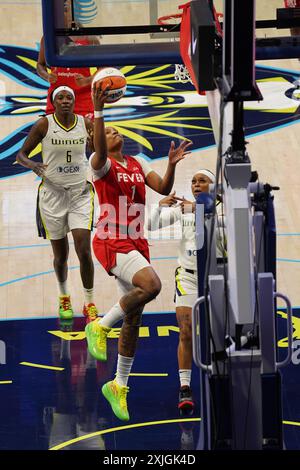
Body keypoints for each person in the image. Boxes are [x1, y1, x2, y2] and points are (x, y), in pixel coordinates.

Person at [85, 85, 192, 421]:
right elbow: (99, 144)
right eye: (109, 131)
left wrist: (172, 165)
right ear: (99, 141)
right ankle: (99, 327)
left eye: (117, 129)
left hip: (135, 240)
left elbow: (161, 186)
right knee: (152, 286)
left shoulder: (136, 161)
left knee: (133, 317)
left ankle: (118, 385)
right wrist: (99, 113)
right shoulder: (98, 163)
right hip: (111, 237)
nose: (116, 133)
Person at [16, 85, 98, 324]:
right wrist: (33, 165)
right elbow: (21, 155)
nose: (65, 100)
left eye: (68, 97)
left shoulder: (86, 123)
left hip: (80, 194)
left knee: (84, 250)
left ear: (74, 102)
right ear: (53, 102)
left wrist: (94, 144)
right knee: (60, 256)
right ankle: (64, 296)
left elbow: (93, 154)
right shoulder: (44, 125)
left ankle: (90, 302)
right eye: (60, 97)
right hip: (52, 195)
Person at [147, 169, 223, 414]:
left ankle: (219, 379)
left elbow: (227, 233)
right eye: (193, 181)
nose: (196, 184)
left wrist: (200, 211)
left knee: (219, 334)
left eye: (202, 181)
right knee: (186, 331)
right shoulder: (186, 210)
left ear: (213, 186)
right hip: (188, 278)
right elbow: (150, 225)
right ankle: (185, 386)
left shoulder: (225, 210)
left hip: (217, 278)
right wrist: (160, 206)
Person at [37, 1, 100, 119]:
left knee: (88, 136)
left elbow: (103, 69)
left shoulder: (90, 38)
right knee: (55, 136)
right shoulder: (48, 38)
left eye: (67, 10)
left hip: (83, 99)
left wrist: (87, 80)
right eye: (62, 10)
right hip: (57, 98)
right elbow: (40, 65)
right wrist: (47, 76)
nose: (64, 14)